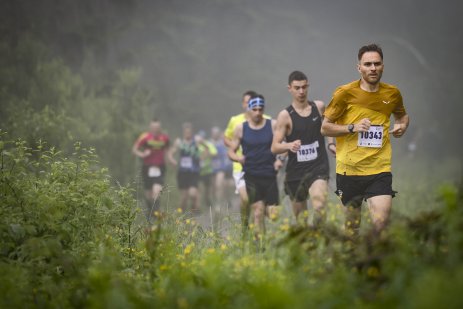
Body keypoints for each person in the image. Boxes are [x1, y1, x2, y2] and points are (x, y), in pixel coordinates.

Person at [321, 43, 409, 237]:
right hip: (349, 169)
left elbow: (402, 116)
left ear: (383, 66)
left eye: (377, 64)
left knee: (382, 223)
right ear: (359, 67)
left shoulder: (392, 93)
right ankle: (354, 263)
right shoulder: (344, 93)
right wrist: (352, 127)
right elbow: (325, 127)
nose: (373, 68)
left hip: (379, 169)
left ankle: (375, 263)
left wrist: (402, 126)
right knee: (352, 228)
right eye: (367, 64)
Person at [271, 71, 335, 228]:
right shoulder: (285, 116)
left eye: (304, 87)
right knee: (301, 222)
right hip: (296, 172)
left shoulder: (319, 107)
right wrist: (288, 145)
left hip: (318, 167)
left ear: (308, 87)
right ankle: (308, 245)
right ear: (290, 88)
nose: (301, 91)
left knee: (320, 206)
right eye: (297, 88)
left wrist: (330, 143)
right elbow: (274, 147)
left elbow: (329, 125)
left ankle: (319, 236)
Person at [228, 95, 283, 238]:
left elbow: (284, 145)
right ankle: (260, 248)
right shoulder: (241, 128)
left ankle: (262, 232)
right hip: (251, 176)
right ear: (249, 109)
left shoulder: (273, 125)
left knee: (273, 215)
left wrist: (279, 159)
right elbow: (231, 152)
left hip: (270, 176)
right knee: (258, 212)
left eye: (260, 109)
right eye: (254, 109)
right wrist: (238, 158)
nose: (258, 113)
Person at [224, 90, 271, 228]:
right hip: (241, 167)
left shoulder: (266, 120)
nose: (248, 105)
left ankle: (259, 233)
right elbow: (226, 137)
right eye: (246, 102)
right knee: (245, 199)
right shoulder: (235, 121)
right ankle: (244, 223)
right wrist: (237, 150)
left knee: (261, 205)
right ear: (243, 104)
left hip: (262, 167)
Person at [132, 118, 170, 223]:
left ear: (160, 128)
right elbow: (134, 149)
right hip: (147, 167)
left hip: (160, 167)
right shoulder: (145, 137)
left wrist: (169, 160)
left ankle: (156, 216)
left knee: (156, 192)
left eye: (157, 128)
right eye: (153, 127)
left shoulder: (164, 138)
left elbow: (167, 151)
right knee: (148, 194)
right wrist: (142, 154)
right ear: (150, 127)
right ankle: (150, 213)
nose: (155, 129)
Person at [168, 122, 208, 213]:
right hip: (182, 172)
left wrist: (202, 158)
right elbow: (170, 153)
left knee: (193, 193)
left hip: (194, 171)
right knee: (184, 197)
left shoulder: (197, 140)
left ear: (192, 132)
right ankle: (181, 214)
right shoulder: (179, 142)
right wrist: (172, 161)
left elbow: (206, 148)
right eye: (186, 132)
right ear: (183, 132)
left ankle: (194, 209)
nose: (187, 134)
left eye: (189, 132)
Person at [210, 126, 234, 209]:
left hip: (221, 168)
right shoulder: (209, 143)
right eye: (214, 133)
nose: (215, 135)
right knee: (215, 188)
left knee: (220, 185)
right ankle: (223, 200)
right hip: (211, 169)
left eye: (217, 133)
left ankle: (218, 204)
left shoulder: (222, 143)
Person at [197, 130, 218, 207]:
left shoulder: (208, 144)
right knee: (199, 188)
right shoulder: (196, 145)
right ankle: (199, 205)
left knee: (207, 189)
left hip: (208, 170)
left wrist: (207, 154)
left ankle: (208, 202)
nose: (201, 139)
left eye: (202, 137)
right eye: (200, 137)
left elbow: (215, 153)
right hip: (198, 171)